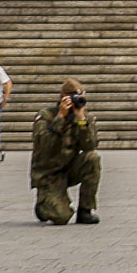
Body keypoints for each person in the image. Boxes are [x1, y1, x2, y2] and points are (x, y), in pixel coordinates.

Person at [31, 80, 101, 225]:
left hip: (70, 167)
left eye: (80, 97)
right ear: (62, 97)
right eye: (72, 97)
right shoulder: (46, 115)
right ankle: (43, 205)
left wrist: (81, 120)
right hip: (49, 173)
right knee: (61, 217)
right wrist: (60, 118)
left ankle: (85, 210)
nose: (76, 101)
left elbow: (90, 146)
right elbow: (43, 145)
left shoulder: (84, 116)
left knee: (92, 158)